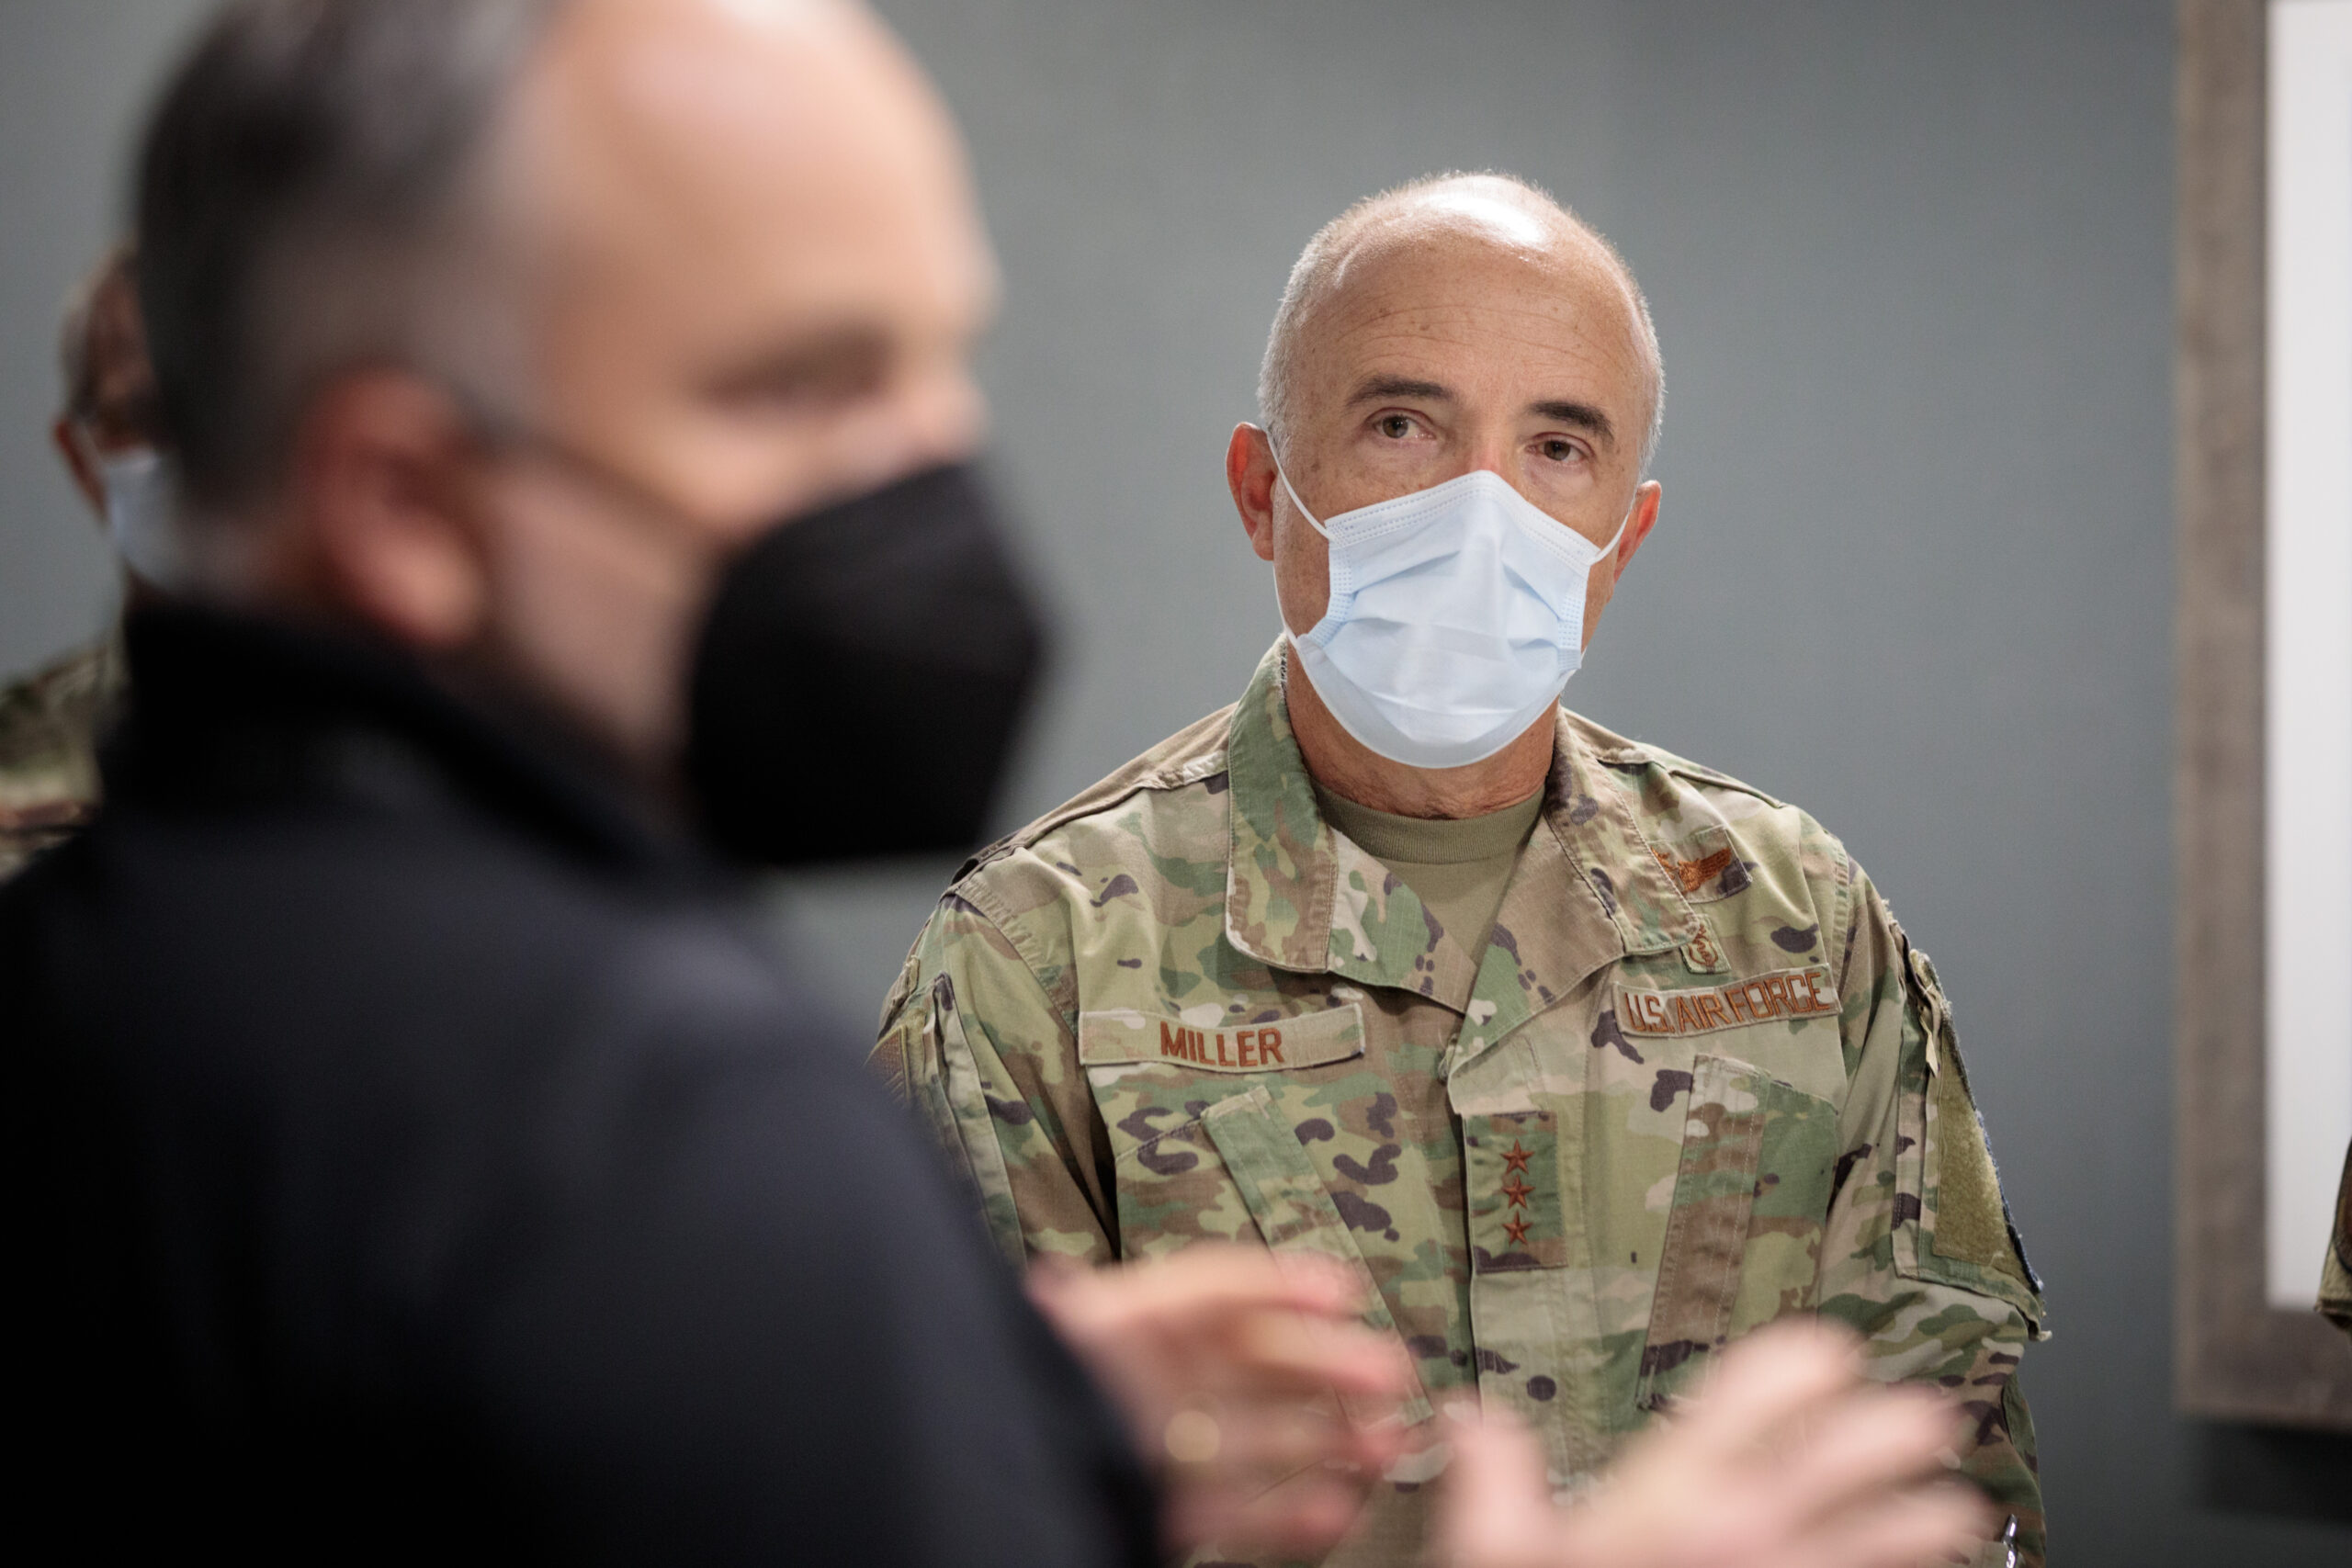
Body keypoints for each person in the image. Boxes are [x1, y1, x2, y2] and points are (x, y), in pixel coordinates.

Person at [2, 2, 1996, 1563]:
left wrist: (1001, 1440)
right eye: (803, 381)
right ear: (404, 498)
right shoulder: (662, 1135)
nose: (932, 483)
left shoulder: (110, 987)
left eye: (936, 366)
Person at [877, 173, 2048, 1568]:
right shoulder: (1039, 958)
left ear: (1627, 539)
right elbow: (946, 1494)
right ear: (1264, 492)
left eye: (1559, 448)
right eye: (1401, 425)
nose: (1482, 509)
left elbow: (1948, 1472)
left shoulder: (1794, 922)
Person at [0, 245, 166, 881]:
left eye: (217, 412)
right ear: (80, 459)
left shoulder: (419, 738)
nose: (191, 450)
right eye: (146, 415)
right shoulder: (15, 766)